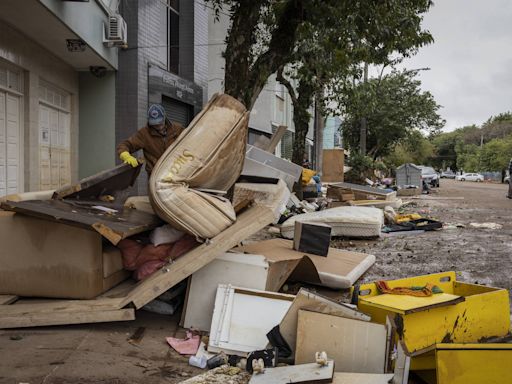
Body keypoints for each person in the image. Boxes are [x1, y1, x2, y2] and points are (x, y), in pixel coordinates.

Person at [117, 104, 184, 176]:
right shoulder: (144, 134)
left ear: (164, 117)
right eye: (155, 124)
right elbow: (124, 145)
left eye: (160, 122)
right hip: (156, 176)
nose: (158, 126)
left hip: (178, 172)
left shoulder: (177, 129)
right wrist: (126, 156)